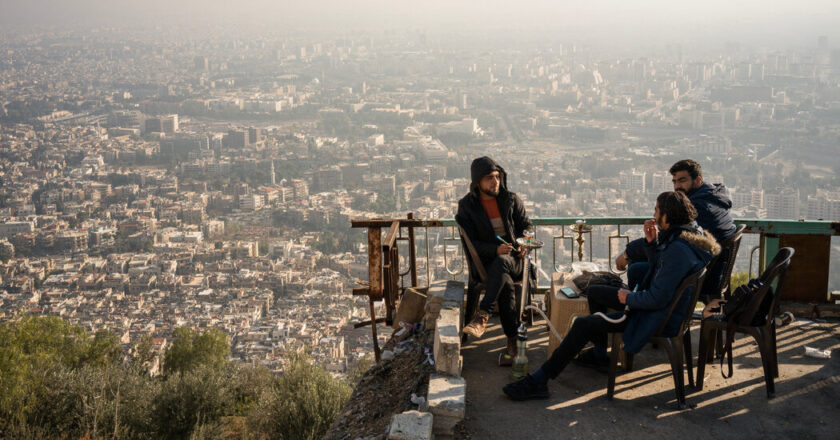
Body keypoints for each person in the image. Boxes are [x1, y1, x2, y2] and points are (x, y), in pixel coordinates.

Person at [503, 191, 720, 400]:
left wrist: (629, 299)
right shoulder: (688, 236)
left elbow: (658, 298)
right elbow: (660, 272)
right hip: (660, 308)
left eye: (657, 210)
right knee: (595, 291)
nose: (654, 215)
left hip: (653, 317)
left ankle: (540, 381)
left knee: (583, 325)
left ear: (668, 216)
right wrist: (651, 243)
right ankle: (599, 355)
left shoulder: (678, 250)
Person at [616, 159, 735, 301]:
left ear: (698, 180)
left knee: (636, 269)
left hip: (703, 277)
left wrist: (627, 253)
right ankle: (643, 306)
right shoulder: (713, 197)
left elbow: (668, 240)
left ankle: (645, 311)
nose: (677, 186)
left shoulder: (698, 208)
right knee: (643, 258)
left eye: (682, 180)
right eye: (674, 182)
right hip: (712, 268)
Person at [456, 156, 533, 365]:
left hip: (516, 259)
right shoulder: (468, 207)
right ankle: (511, 344)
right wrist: (495, 249)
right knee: (505, 282)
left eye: (497, 177)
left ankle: (482, 315)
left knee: (503, 265)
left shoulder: (511, 200)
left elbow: (528, 227)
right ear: (478, 182)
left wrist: (521, 245)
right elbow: (472, 243)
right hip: (488, 263)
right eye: (490, 178)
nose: (495, 182)